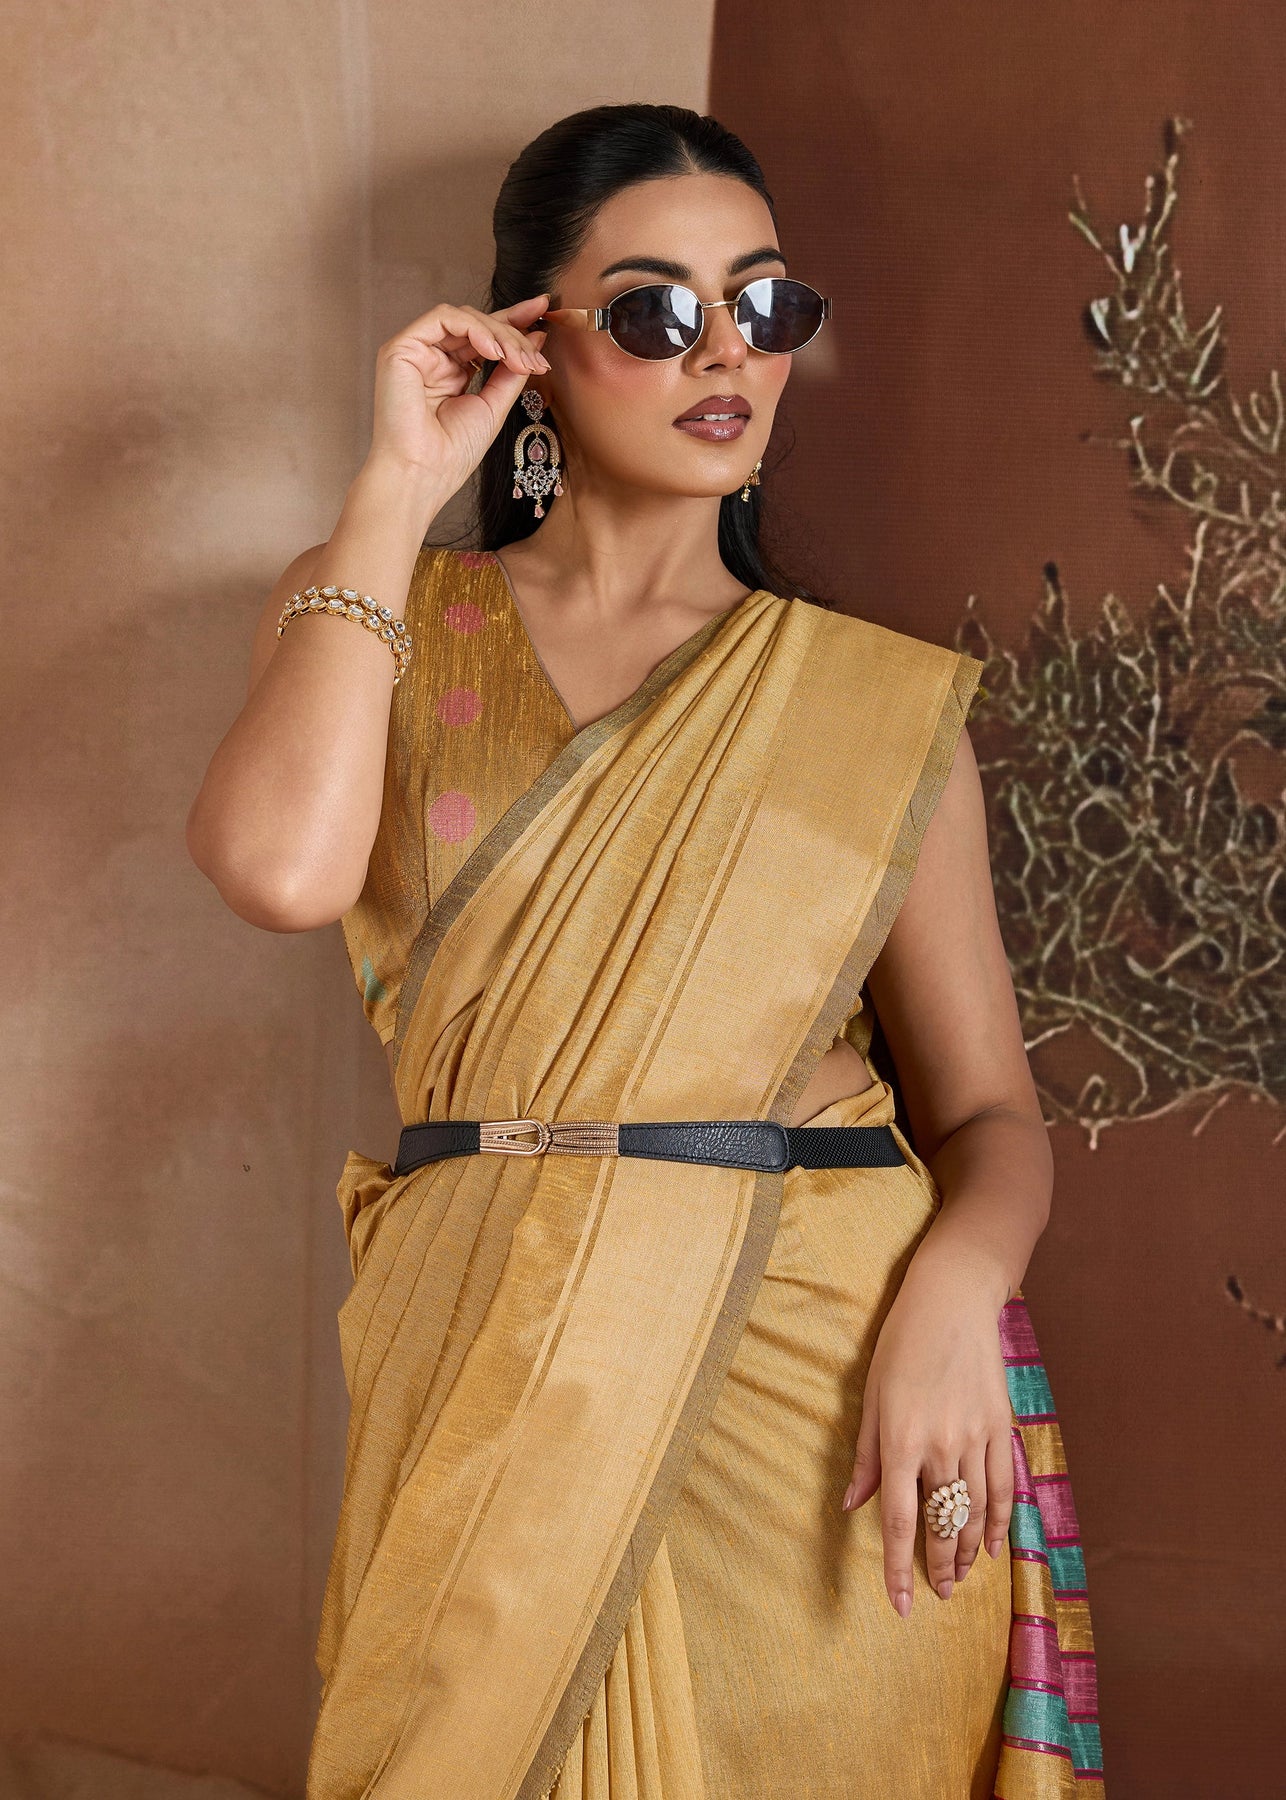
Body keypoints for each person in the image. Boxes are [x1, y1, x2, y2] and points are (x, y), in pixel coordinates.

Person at [186, 102, 1103, 1800]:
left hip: (824, 1400)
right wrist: (397, 486)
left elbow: (991, 1119)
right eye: (656, 310)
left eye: (763, 304)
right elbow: (279, 870)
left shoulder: (872, 701)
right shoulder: (386, 611)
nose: (725, 353)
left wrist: (950, 1295)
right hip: (486, 1358)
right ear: (525, 344)